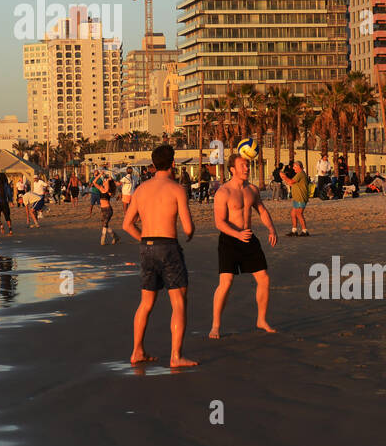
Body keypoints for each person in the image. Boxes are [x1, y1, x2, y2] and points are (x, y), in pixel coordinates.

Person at [122, 144, 197, 368]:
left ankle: (137, 351)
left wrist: (145, 239)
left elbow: (127, 224)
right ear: (173, 164)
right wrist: (189, 235)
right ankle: (176, 356)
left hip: (146, 247)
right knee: (178, 301)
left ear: (153, 165)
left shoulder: (141, 189)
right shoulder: (176, 189)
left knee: (146, 303)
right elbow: (188, 227)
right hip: (168, 246)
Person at [211, 153, 279, 338]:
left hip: (248, 238)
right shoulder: (223, 192)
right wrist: (237, 234)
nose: (247, 168)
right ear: (232, 169)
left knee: (264, 278)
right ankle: (215, 325)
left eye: (247, 165)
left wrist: (272, 229)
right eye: (243, 165)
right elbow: (219, 222)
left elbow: (262, 211)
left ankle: (261, 320)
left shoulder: (252, 190)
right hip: (229, 240)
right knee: (226, 283)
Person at [288, 160, 310, 235]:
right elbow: (292, 183)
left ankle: (305, 230)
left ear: (299, 167)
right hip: (297, 198)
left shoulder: (300, 174)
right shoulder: (298, 174)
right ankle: (294, 230)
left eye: (294, 167)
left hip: (301, 197)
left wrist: (283, 176)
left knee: (299, 214)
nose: (293, 168)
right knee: (293, 214)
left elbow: (291, 182)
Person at [98, 174, 117, 245]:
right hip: (102, 209)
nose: (104, 181)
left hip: (108, 210)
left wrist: (109, 180)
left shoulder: (108, 191)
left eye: (105, 181)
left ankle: (102, 239)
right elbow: (94, 182)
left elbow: (109, 184)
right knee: (104, 224)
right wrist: (100, 174)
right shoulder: (101, 188)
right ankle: (115, 237)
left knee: (105, 224)